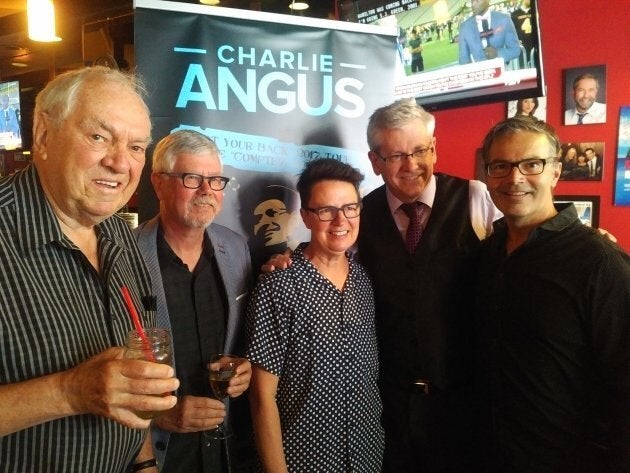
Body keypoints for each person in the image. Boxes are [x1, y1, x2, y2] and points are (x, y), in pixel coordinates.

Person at [0, 66, 180, 472]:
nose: (120, 163)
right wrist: (68, 392)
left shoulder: (120, 234)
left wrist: (146, 464)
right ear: (44, 136)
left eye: (136, 147)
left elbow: (133, 379)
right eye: (99, 137)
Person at [475, 116, 630, 472]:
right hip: (486, 456)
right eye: (501, 166)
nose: (515, 178)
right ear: (487, 175)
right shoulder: (485, 255)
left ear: (556, 172)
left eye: (532, 164)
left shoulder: (601, 264)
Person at [247, 158, 384, 472]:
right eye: (326, 211)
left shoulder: (364, 281)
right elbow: (261, 396)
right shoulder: (278, 284)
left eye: (350, 208)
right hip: (304, 460)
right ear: (306, 217)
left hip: (366, 456)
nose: (340, 221)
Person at [134, 130, 255, 473]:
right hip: (164, 456)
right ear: (158, 183)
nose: (207, 191)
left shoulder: (235, 248)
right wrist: (159, 414)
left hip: (226, 451)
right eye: (192, 178)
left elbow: (240, 336)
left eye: (215, 180)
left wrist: (243, 367)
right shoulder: (125, 257)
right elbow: (105, 361)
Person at [458, 0, 521, 65]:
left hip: (502, 72)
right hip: (479, 73)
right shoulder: (465, 27)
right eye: (472, 1)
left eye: (477, 1)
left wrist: (497, 53)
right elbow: (463, 60)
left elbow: (515, 50)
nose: (473, 4)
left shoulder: (504, 19)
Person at [510, 0, 535, 67]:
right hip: (522, 47)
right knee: (523, 67)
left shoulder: (535, 11)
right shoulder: (514, 14)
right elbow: (511, 31)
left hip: (534, 45)